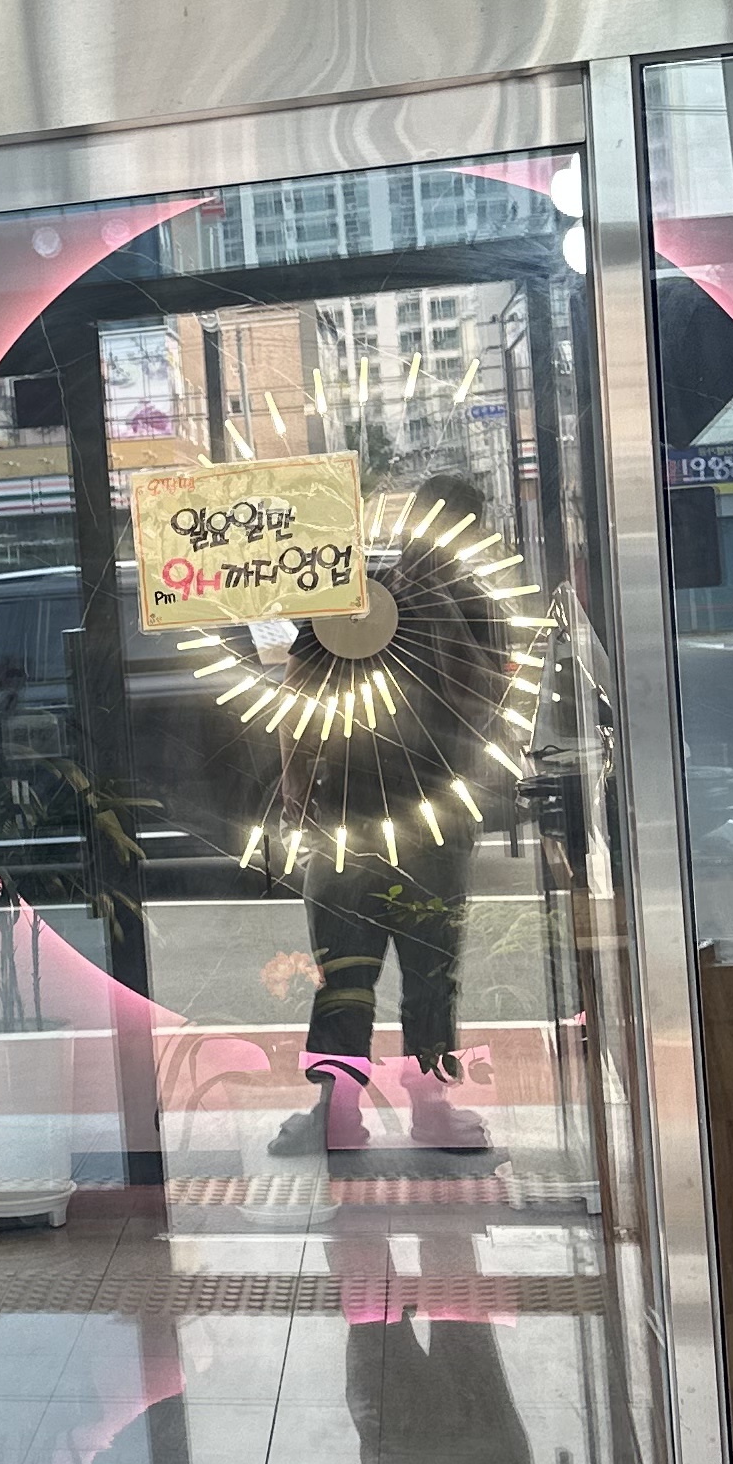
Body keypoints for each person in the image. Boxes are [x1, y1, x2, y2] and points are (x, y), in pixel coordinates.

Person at [267, 474, 521, 1159]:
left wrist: (297, 788)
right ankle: (419, 1108)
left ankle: (341, 1110)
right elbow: (492, 707)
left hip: (356, 819)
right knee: (422, 971)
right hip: (428, 819)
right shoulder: (463, 603)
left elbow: (298, 701)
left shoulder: (364, 597)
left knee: (351, 971)